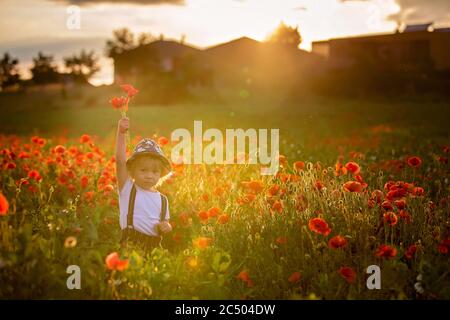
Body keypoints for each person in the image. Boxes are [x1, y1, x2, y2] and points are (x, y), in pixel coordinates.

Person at [115, 117, 173, 251]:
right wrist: (121, 132)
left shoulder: (162, 200)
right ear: (132, 171)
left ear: (161, 174)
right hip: (131, 244)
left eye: (154, 171)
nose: (149, 175)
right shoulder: (128, 189)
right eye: (143, 170)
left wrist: (167, 227)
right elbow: (119, 161)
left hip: (154, 248)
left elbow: (165, 224)